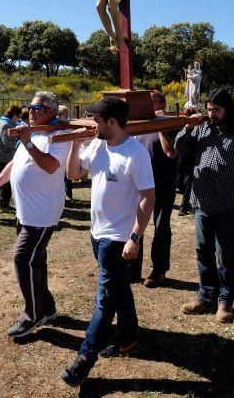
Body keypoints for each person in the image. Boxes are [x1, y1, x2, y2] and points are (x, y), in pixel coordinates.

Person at [61, 96, 155, 387]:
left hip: (118, 239)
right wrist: (76, 144)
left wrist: (135, 238)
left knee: (104, 299)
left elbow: (148, 197)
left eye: (97, 120)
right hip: (97, 234)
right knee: (118, 289)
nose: (93, 124)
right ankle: (128, 339)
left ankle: (85, 357)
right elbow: (73, 174)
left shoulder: (135, 154)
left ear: (112, 122)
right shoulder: (98, 145)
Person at [0, 91, 71, 338]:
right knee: (36, 260)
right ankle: (47, 309)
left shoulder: (60, 136)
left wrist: (28, 142)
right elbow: (13, 166)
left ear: (52, 110)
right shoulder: (33, 132)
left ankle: (33, 315)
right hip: (26, 210)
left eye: (38, 108)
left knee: (22, 258)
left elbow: (51, 166)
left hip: (43, 211)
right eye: (30, 107)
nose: (31, 111)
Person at [174, 88, 234, 324]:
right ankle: (206, 296)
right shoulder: (202, 128)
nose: (211, 114)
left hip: (229, 205)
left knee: (225, 254)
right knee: (203, 252)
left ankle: (225, 301)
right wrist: (188, 127)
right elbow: (179, 148)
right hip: (202, 203)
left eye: (216, 110)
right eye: (209, 110)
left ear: (228, 109)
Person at [136, 91, 178, 287]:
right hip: (139, 183)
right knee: (137, 224)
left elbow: (171, 152)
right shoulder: (139, 124)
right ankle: (133, 268)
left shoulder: (172, 123)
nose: (148, 106)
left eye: (152, 102)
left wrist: (160, 125)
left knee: (161, 226)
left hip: (162, 182)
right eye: (146, 103)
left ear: (162, 103)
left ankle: (159, 270)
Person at [0, 104, 22, 214]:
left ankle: (4, 204)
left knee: (8, 183)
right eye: (18, 116)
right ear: (14, 115)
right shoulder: (5, 125)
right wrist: (21, 143)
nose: (19, 119)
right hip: (0, 157)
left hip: (8, 158)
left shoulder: (12, 124)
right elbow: (6, 142)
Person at [58, 105, 73, 202]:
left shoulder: (68, 127)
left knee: (67, 176)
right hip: (58, 155)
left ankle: (68, 195)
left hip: (66, 154)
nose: (57, 116)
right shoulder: (55, 125)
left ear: (65, 115)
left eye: (60, 114)